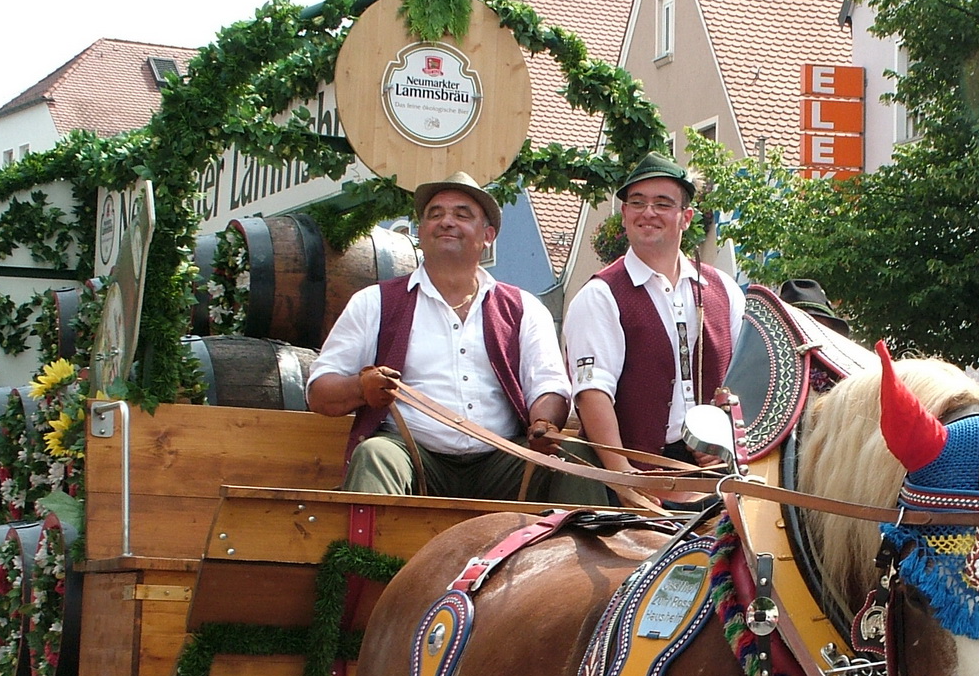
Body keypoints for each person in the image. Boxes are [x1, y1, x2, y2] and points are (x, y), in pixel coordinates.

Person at [307, 171, 606, 504]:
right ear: (420, 233)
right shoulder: (373, 302)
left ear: (488, 235)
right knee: (375, 454)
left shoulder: (524, 308)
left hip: (503, 462)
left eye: (462, 215)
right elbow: (320, 393)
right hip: (412, 459)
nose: (446, 221)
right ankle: (361, 556)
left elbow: (550, 386)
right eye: (435, 214)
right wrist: (361, 389)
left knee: (576, 460)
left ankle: (591, 557)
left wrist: (543, 422)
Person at [563, 153, 746, 492]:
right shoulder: (601, 295)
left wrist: (725, 439)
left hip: (716, 477)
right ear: (624, 214)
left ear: (686, 217)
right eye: (637, 203)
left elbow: (740, 380)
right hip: (632, 475)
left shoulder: (724, 291)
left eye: (663, 204)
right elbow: (592, 393)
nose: (648, 213)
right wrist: (623, 477)